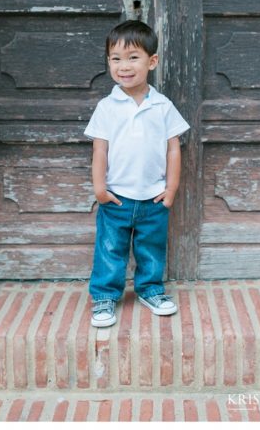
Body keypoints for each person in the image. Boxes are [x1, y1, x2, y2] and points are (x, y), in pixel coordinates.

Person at [83, 20, 190, 327]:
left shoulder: (162, 106)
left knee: (151, 249)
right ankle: (104, 296)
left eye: (133, 57)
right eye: (116, 59)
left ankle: (151, 289)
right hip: (116, 197)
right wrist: (99, 188)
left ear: (151, 61)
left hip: (153, 197)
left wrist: (171, 189)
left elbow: (173, 148)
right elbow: (100, 150)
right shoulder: (107, 107)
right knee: (109, 250)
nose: (124, 66)